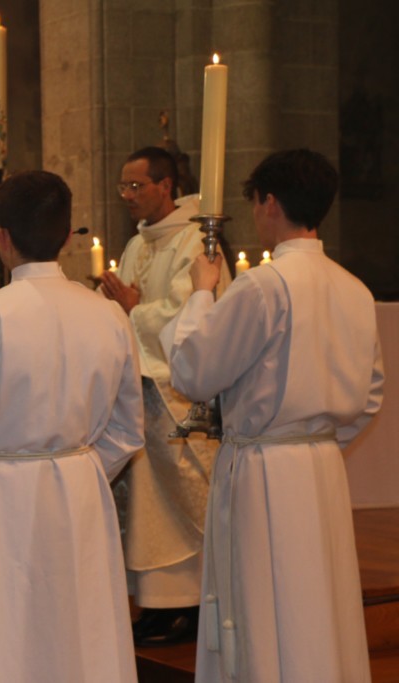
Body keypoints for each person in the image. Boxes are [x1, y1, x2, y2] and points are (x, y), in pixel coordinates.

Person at [162, 149, 383, 682]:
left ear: (270, 203)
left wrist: (201, 293)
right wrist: (313, 439)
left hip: (263, 471)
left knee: (263, 603)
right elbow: (370, 395)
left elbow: (194, 372)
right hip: (321, 468)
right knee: (317, 605)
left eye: (256, 203)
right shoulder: (354, 288)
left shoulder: (264, 286)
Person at [0, 171, 143, 682]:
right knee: (77, 630)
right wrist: (75, 467)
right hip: (80, 492)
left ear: (3, 238)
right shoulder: (111, 317)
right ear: (67, 236)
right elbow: (128, 429)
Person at [98, 146, 230, 645]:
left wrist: (133, 309)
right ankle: (156, 604)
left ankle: (190, 604)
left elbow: (192, 311)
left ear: (166, 186)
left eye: (136, 186)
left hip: (176, 394)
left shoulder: (197, 240)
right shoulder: (138, 243)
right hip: (142, 391)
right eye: (123, 186)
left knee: (180, 500)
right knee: (146, 505)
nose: (127, 195)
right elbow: (126, 307)